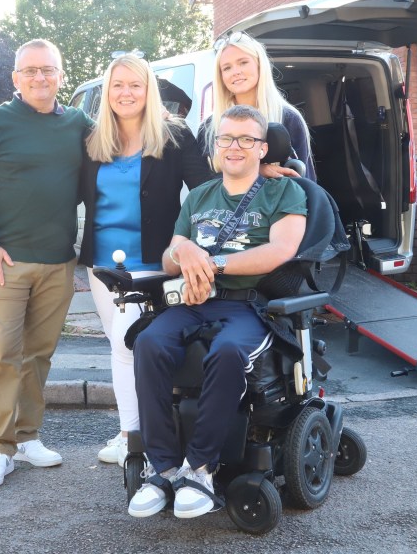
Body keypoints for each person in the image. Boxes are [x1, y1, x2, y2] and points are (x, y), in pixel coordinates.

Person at [128, 104, 307, 519]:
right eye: (226, 138)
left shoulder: (285, 191)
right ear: (215, 148)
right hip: (193, 303)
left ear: (263, 148)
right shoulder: (200, 196)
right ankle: (164, 467)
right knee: (149, 343)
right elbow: (170, 259)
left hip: (249, 305)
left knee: (228, 352)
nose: (234, 147)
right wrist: (185, 249)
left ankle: (201, 468)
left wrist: (212, 264)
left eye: (246, 139)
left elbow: (281, 250)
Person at [0, 39, 94, 490]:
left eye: (48, 70)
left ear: (60, 75)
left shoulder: (78, 123)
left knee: (39, 356)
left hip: (57, 263)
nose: (40, 78)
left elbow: (126, 146)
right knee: (2, 356)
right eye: (30, 71)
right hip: (4, 262)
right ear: (16, 78)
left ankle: (29, 437)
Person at [78, 54, 213, 467]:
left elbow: (206, 191)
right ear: (107, 92)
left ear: (148, 89)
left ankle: (131, 436)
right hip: (102, 266)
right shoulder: (93, 139)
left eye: (135, 84)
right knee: (123, 348)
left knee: (125, 345)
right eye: (117, 85)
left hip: (153, 264)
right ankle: (152, 428)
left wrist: (188, 242)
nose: (126, 92)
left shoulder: (174, 136)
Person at [200, 31, 316, 181]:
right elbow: (204, 187)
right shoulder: (209, 128)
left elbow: (307, 183)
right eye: (227, 68)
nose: (236, 72)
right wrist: (256, 171)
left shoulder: (288, 117)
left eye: (243, 62)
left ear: (260, 65)